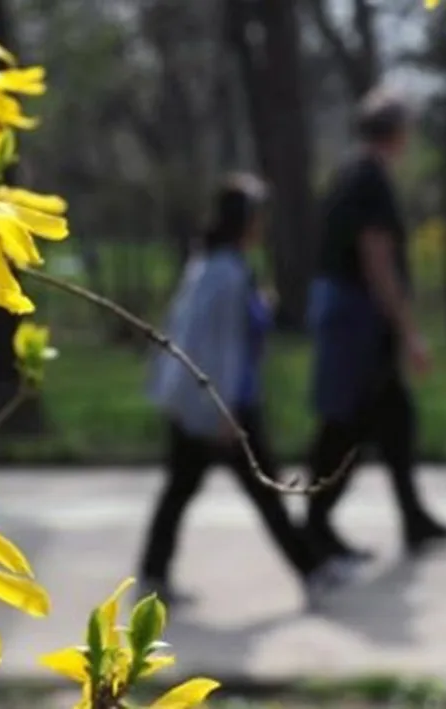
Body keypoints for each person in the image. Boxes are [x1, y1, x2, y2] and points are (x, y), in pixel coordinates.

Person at [140, 173, 348, 609]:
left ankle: (154, 573)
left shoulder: (215, 266)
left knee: (186, 490)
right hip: (222, 404)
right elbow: (218, 346)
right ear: (245, 221)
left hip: (209, 402)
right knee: (260, 490)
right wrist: (222, 410)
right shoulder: (225, 273)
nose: (263, 227)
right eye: (259, 218)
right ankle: (312, 569)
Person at [304, 88, 446, 563]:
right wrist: (408, 330)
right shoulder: (369, 178)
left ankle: (412, 518)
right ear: (396, 132)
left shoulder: (352, 171)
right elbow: (376, 258)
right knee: (346, 423)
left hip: (349, 311)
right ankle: (315, 524)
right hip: (360, 318)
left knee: (395, 419)